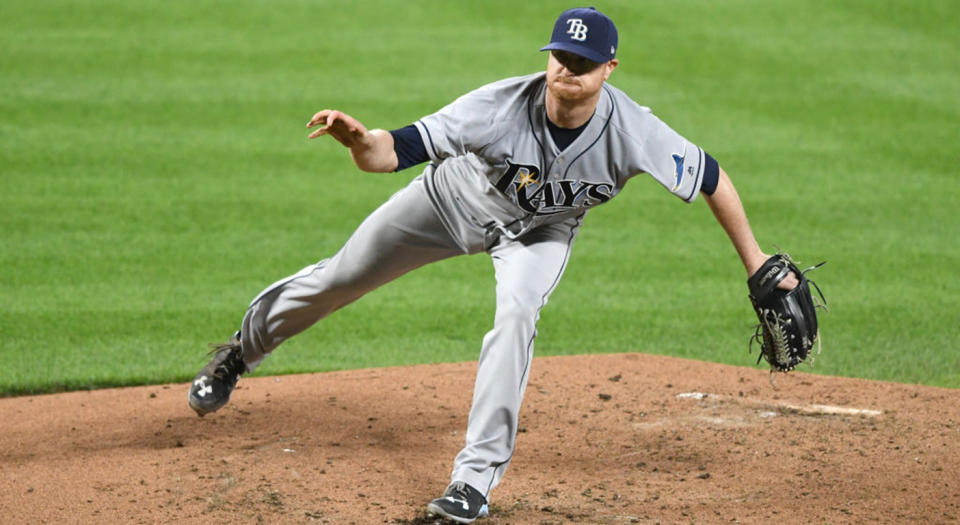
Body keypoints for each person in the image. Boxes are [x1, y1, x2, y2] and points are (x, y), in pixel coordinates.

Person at [188, 7, 797, 523]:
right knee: (342, 277)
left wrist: (755, 260)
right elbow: (388, 152)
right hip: (447, 203)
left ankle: (473, 482)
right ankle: (239, 354)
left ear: (609, 70)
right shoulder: (497, 106)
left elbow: (711, 177)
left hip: (540, 235)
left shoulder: (635, 131)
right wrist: (357, 139)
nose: (567, 70)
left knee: (517, 314)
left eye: (583, 63)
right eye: (560, 56)